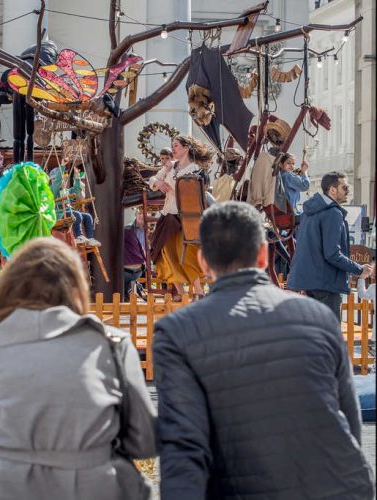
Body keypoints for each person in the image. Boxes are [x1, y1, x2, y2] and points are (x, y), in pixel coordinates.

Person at [153, 201, 375, 500]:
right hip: (338, 483)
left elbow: (183, 447)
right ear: (262, 255)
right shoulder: (318, 317)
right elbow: (349, 419)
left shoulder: (178, 331)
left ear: (203, 261)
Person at [0, 238, 156, 500]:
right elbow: (145, 442)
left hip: (9, 490)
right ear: (76, 288)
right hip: (97, 489)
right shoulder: (110, 345)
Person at [288, 172, 372, 321]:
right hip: (326, 283)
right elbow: (333, 254)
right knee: (330, 336)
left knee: (316, 335)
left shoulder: (309, 212)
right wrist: (360, 269)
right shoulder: (333, 213)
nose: (348, 191)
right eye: (345, 187)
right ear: (332, 190)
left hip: (309, 282)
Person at [149, 135, 212, 301]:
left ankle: (198, 291)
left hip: (185, 217)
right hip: (167, 214)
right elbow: (152, 179)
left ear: (186, 148)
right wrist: (159, 183)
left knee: (185, 253)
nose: (173, 149)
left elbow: (195, 192)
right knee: (164, 253)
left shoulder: (195, 169)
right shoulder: (171, 166)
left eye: (176, 146)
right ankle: (181, 292)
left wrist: (172, 189)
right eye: (173, 146)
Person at [49, 157, 100, 246]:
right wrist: (62, 166)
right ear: (52, 180)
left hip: (68, 212)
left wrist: (77, 178)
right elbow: (57, 182)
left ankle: (91, 238)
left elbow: (76, 190)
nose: (63, 181)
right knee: (77, 215)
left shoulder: (66, 190)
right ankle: (78, 236)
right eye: (62, 178)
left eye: (65, 178)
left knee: (87, 216)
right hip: (59, 214)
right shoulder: (52, 190)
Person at [124, 208, 147, 299]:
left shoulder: (150, 229)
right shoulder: (128, 228)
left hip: (143, 261)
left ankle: (133, 289)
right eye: (140, 213)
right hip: (134, 260)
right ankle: (131, 290)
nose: (141, 215)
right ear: (136, 215)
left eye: (144, 213)